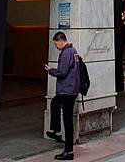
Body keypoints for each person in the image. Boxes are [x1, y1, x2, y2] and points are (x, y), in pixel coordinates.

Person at [45, 32, 80, 160]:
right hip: (71, 89)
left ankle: (69, 150)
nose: (56, 46)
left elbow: (62, 72)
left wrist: (50, 71)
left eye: (55, 44)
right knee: (55, 103)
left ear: (60, 40)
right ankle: (55, 130)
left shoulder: (65, 53)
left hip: (66, 90)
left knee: (67, 119)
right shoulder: (73, 51)